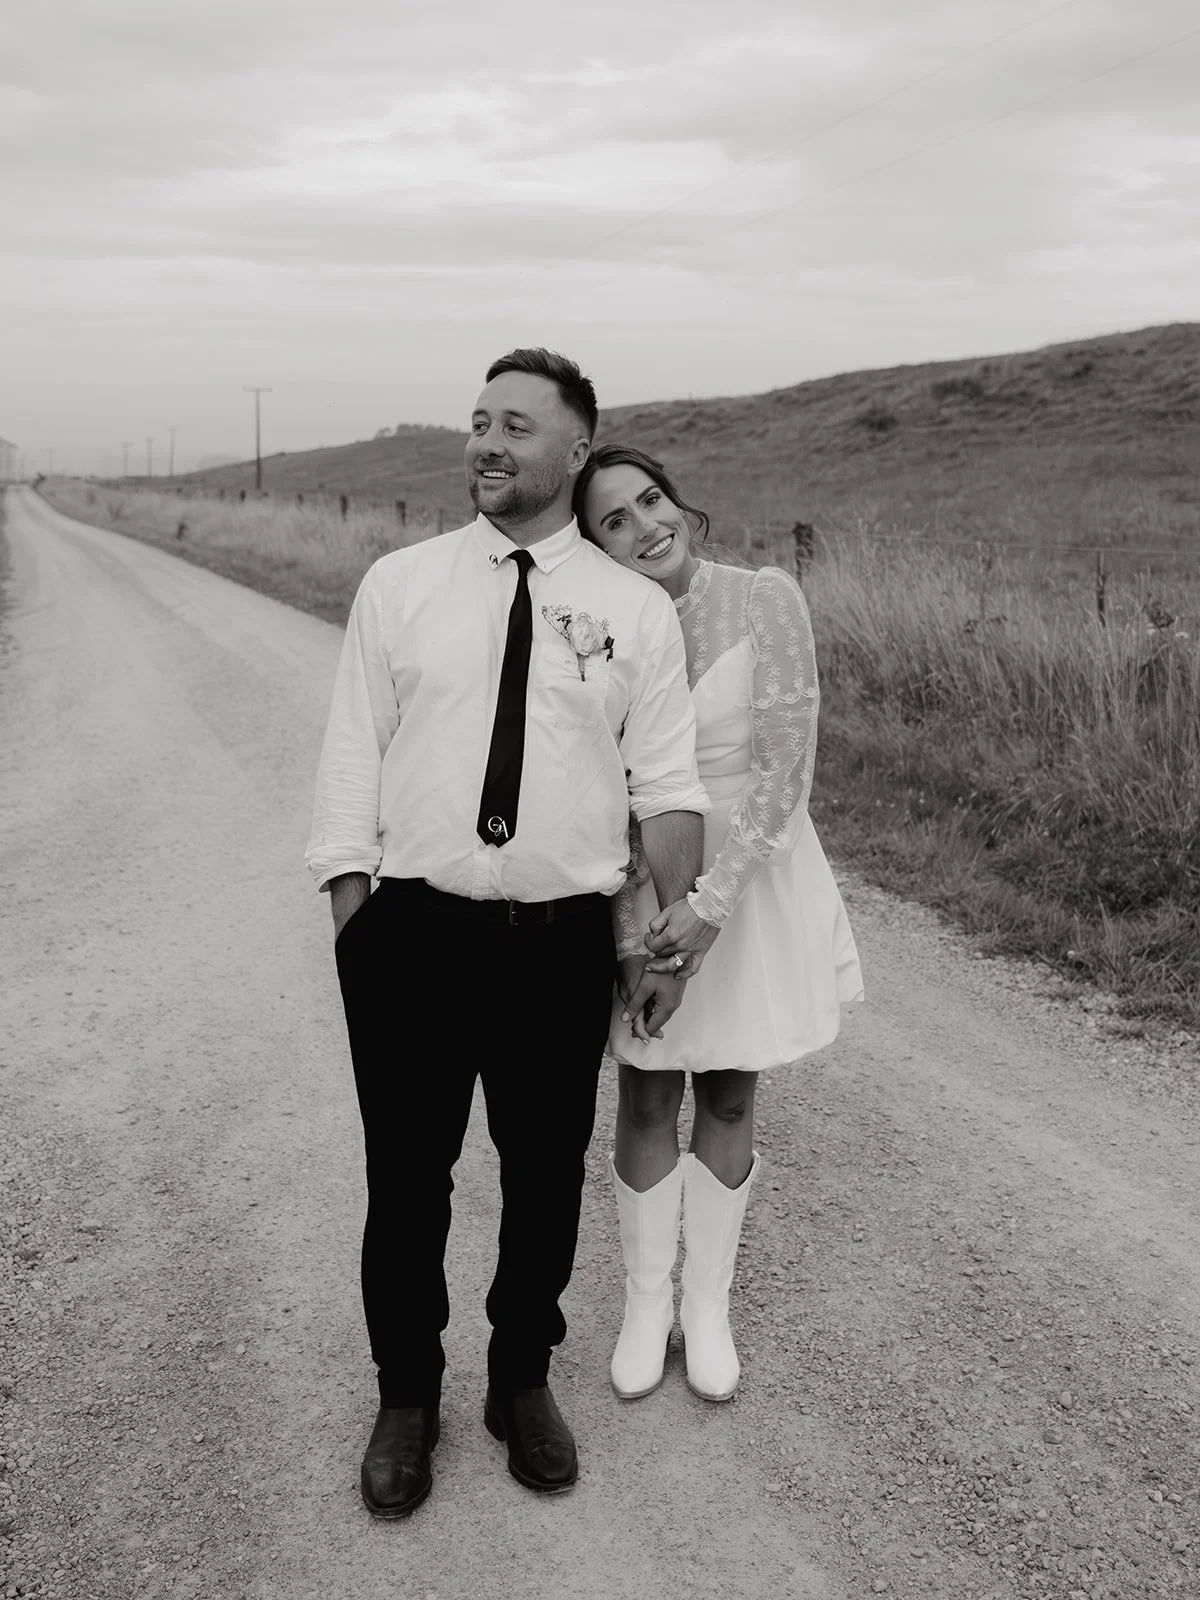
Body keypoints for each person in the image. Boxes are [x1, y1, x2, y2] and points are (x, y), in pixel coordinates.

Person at [306, 353, 710, 1518]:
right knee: (406, 1183)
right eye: (479, 421)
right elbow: (352, 752)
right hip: (412, 935)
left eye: (517, 425)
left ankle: (520, 1379)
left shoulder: (633, 611)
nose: (487, 442)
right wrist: (354, 913)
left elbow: (666, 784)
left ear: (575, 449)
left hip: (559, 944)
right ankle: (407, 1396)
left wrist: (665, 934)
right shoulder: (401, 584)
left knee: (542, 1180)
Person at [573, 443, 864, 1406]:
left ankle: (707, 1310)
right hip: (642, 883)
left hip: (746, 880)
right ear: (595, 546)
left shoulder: (762, 597)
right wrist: (635, 935)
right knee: (647, 1093)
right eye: (615, 520)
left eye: (651, 500)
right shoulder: (600, 630)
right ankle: (643, 1307)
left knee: (730, 1096)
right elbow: (601, 792)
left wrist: (707, 909)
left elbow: (785, 773)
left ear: (679, 502)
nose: (646, 526)